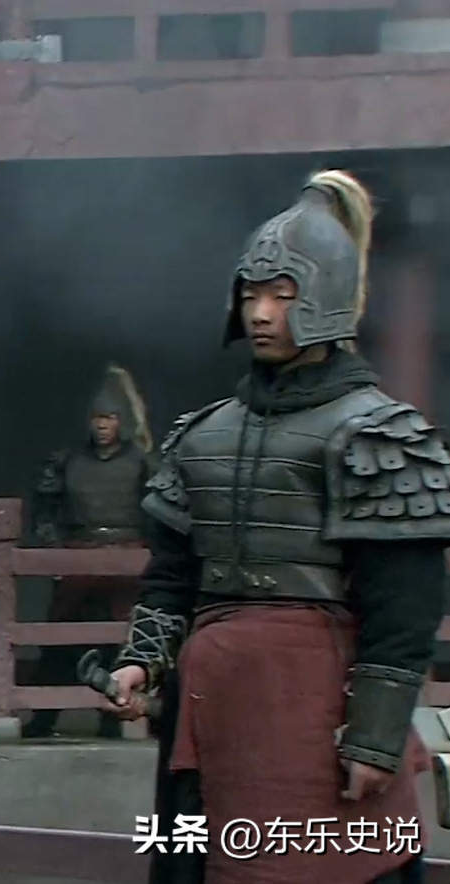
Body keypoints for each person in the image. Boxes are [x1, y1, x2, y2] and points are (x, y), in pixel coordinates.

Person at [104, 169, 447, 884]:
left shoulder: (378, 436)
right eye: (251, 294)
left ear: (324, 298)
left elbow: (403, 611)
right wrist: (142, 659)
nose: (261, 313)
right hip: (214, 712)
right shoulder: (202, 436)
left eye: (283, 296)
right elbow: (172, 578)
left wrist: (375, 738)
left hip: (319, 712)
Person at [25, 365, 156, 740]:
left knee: (124, 641)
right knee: (59, 640)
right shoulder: (68, 460)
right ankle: (43, 718)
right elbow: (45, 510)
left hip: (128, 559)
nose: (102, 425)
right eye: (97, 418)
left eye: (109, 418)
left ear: (122, 421)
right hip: (78, 556)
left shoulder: (143, 462)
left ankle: (113, 719)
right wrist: (54, 553)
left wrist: (150, 554)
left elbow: (161, 512)